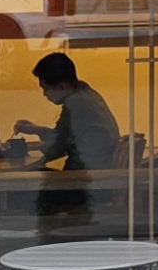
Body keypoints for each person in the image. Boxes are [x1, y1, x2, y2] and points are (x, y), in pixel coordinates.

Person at [16, 49, 122, 235]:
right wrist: (38, 130)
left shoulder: (75, 103)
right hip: (96, 177)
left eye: (45, 88)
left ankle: (44, 234)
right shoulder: (88, 95)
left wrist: (35, 157)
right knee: (36, 177)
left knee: (25, 183)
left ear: (62, 86)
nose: (44, 94)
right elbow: (66, 136)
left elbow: (56, 146)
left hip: (84, 183)